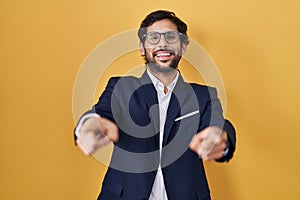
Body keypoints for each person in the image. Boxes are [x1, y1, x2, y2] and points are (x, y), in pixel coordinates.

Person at [74, 10, 236, 200]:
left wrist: (220, 137)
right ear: (142, 47)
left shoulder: (203, 95)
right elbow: (101, 113)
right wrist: (90, 124)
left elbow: (217, 123)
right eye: (153, 37)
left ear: (183, 46)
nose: (162, 44)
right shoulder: (120, 87)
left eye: (171, 37)